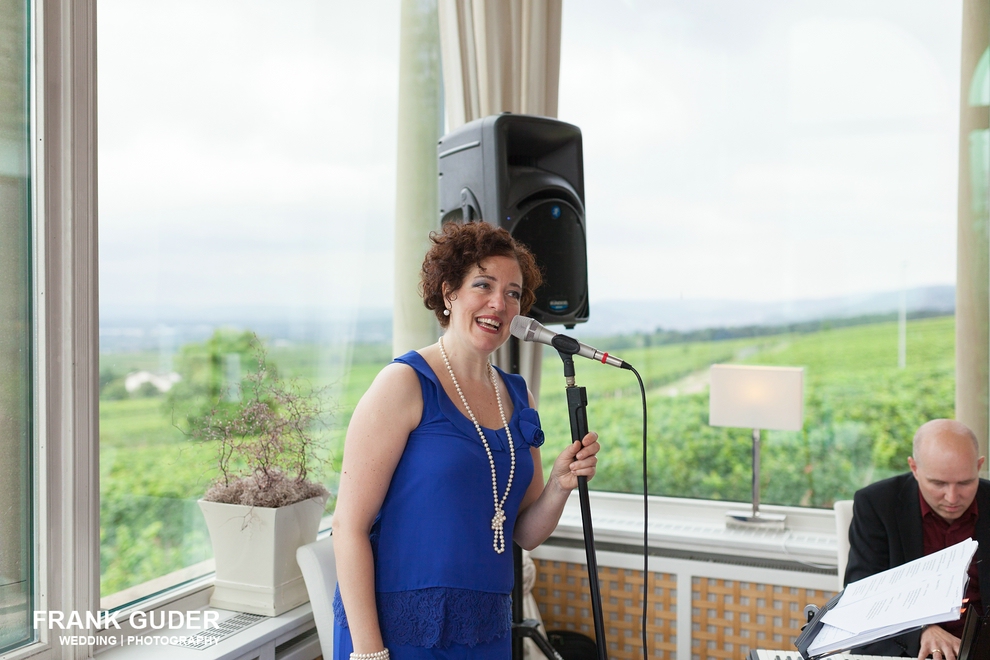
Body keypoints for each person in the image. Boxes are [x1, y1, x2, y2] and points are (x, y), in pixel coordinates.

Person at [331, 221, 601, 660]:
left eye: (513, 293)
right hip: (398, 636)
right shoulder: (403, 383)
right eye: (483, 285)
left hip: (483, 632)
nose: (499, 302)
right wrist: (368, 653)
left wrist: (560, 484)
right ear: (448, 292)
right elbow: (348, 527)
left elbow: (525, 533)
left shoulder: (519, 395)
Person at [845, 419, 990, 660]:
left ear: (979, 466)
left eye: (965, 482)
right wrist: (922, 630)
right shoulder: (877, 504)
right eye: (938, 483)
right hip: (903, 649)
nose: (952, 497)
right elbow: (863, 598)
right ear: (914, 468)